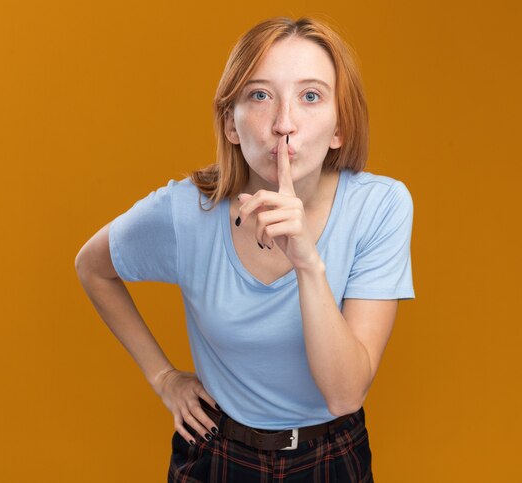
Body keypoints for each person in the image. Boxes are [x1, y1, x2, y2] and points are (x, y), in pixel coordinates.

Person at [75, 15, 415, 483]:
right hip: (216, 453)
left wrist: (307, 263)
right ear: (230, 124)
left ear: (340, 128)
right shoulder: (186, 212)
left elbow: (345, 394)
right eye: (260, 95)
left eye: (310, 96)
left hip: (332, 453)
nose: (283, 124)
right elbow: (92, 267)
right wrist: (164, 378)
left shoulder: (381, 206)